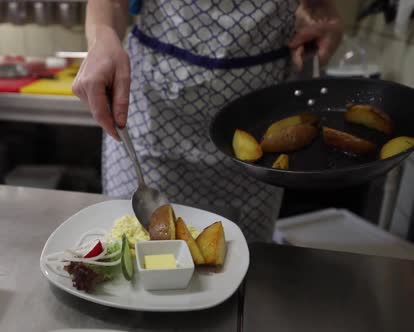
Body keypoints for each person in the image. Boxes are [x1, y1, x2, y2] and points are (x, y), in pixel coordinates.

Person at [72, 0, 343, 242]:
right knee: (135, 250)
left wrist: (322, 16)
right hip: (151, 124)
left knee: (246, 266)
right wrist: (102, 36)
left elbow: (318, 7)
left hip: (259, 136)